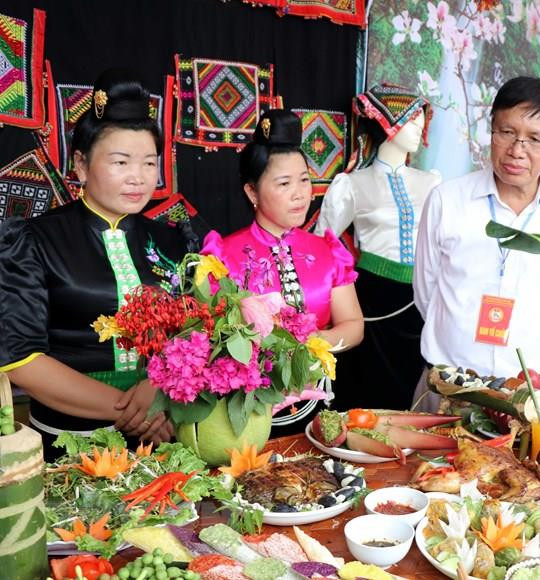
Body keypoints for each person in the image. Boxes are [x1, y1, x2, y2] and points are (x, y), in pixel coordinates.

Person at [0, 70, 194, 458]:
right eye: (121, 162)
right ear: (81, 165)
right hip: (69, 443)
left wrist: (160, 390)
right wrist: (136, 412)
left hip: (165, 439)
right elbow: (21, 359)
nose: (138, 178)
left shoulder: (176, 241)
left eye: (149, 163)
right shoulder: (34, 240)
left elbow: (197, 335)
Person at [413, 76, 540, 408]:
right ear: (491, 129)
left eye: (534, 139)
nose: (517, 151)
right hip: (447, 386)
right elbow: (427, 291)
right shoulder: (447, 200)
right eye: (506, 132)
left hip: (531, 394)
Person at [201, 109, 363, 431]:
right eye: (284, 183)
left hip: (319, 405)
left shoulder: (328, 250)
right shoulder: (223, 256)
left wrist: (315, 344)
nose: (301, 193)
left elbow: (353, 325)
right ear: (252, 192)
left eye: (304, 179)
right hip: (246, 412)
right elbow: (211, 341)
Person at [315, 85, 440, 410]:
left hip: (421, 296)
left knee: (413, 381)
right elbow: (320, 246)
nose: (419, 129)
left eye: (420, 121)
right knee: (365, 382)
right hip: (370, 297)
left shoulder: (433, 184)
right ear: (388, 124)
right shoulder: (352, 184)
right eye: (411, 120)